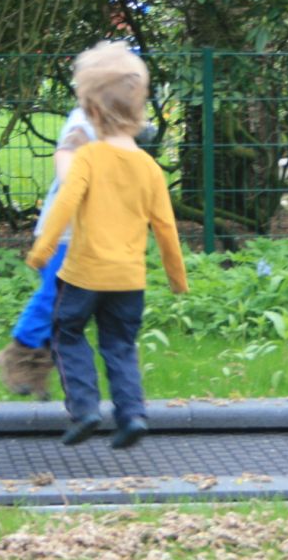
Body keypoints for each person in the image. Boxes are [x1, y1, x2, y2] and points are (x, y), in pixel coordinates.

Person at [25, 41, 189, 449]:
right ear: (140, 113)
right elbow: (165, 227)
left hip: (83, 273)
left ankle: (84, 409)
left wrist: (42, 251)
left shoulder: (87, 159)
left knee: (68, 333)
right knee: (120, 344)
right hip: (129, 280)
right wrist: (176, 277)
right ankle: (132, 415)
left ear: (91, 112)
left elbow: (63, 206)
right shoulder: (149, 168)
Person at [0, 106, 96, 400]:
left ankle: (42, 362)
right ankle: (20, 353)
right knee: (56, 294)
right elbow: (68, 167)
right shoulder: (85, 121)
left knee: (77, 305)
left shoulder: (121, 123)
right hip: (64, 232)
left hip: (96, 234)